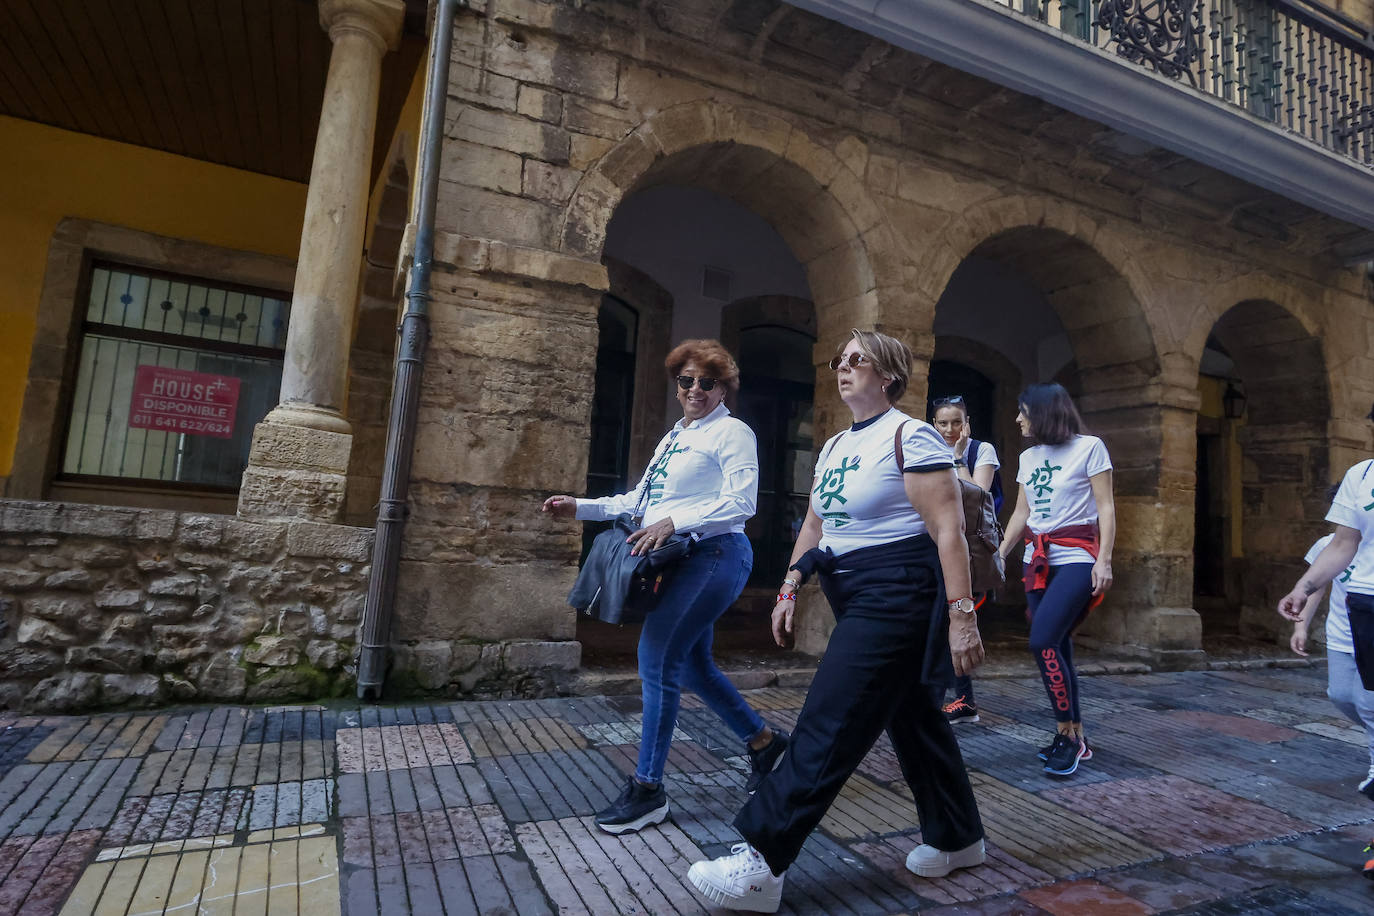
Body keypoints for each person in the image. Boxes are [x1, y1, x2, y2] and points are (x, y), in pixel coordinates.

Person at [686, 329, 986, 913]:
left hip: (898, 592)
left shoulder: (912, 435)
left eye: (857, 361)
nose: (843, 370)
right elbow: (816, 527)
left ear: (889, 377)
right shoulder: (833, 447)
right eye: (840, 362)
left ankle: (762, 863)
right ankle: (959, 837)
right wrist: (790, 586)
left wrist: (962, 616)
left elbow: (948, 531)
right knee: (913, 719)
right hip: (852, 591)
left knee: (831, 719)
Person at [541, 339, 788, 835]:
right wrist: (581, 507)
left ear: (724, 388)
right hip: (680, 559)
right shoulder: (675, 435)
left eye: (707, 382)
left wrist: (676, 521)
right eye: (686, 381)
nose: (695, 389)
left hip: (716, 555)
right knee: (692, 666)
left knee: (656, 659)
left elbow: (741, 504)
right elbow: (639, 501)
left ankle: (648, 788)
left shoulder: (733, 433)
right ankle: (766, 745)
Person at [997, 383, 1115, 778]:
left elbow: (1106, 507)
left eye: (1023, 411)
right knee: (1058, 646)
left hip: (1077, 558)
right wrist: (1000, 552)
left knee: (1042, 639)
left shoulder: (1090, 448)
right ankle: (1074, 736)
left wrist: (1104, 561)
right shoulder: (1029, 456)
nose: (1017, 419)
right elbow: (1021, 513)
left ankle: (1068, 736)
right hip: (1038, 560)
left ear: (1044, 412)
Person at [1277, 402, 1374, 876]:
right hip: (1362, 608)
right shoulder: (1362, 476)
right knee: (1345, 695)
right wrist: (1303, 591)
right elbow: (1341, 545)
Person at [1286, 515, 1373, 801]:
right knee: (1340, 696)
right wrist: (1301, 626)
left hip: (1369, 634)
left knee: (1367, 702)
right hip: (1341, 635)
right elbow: (1316, 588)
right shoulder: (1329, 545)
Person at [930, 394, 1002, 725]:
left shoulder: (980, 451)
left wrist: (958, 459)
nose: (949, 429)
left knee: (955, 621)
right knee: (937, 624)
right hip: (934, 545)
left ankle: (962, 699)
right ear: (933, 424)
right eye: (943, 423)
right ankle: (961, 698)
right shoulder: (926, 448)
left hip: (971, 553)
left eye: (956, 422)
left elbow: (979, 495)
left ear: (966, 422)